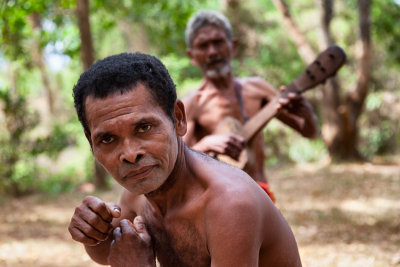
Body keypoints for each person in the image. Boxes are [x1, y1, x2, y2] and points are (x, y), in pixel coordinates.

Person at [68, 52, 302, 266]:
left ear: (178, 119)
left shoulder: (230, 204)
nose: (130, 154)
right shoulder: (138, 190)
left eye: (144, 127)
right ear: (91, 143)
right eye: (108, 139)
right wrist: (94, 233)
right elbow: (109, 253)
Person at [182, 10, 318, 202]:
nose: (212, 51)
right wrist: (204, 145)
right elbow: (176, 166)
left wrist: (307, 113)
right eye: (203, 46)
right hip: (217, 203)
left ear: (233, 46)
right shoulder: (192, 105)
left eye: (218, 42)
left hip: (261, 195)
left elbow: (309, 132)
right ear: (192, 55)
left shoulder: (258, 89)